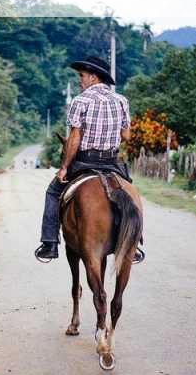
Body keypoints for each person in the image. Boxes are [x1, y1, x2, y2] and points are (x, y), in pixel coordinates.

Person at [35, 56, 142, 261]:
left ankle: (49, 243)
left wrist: (65, 167)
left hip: (85, 161)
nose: (79, 80)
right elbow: (126, 136)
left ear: (94, 77)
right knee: (129, 193)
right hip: (112, 162)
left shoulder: (80, 100)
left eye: (82, 76)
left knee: (52, 192)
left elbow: (75, 137)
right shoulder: (121, 100)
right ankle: (134, 244)